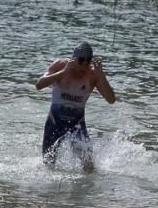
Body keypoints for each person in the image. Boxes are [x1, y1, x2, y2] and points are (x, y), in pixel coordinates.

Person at [36, 41, 116, 172]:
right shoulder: (60, 66)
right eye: (81, 60)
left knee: (89, 168)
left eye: (88, 61)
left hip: (77, 124)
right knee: (48, 166)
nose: (84, 65)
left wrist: (102, 76)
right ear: (73, 59)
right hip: (55, 121)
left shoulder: (93, 75)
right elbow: (39, 85)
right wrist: (63, 72)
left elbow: (111, 100)